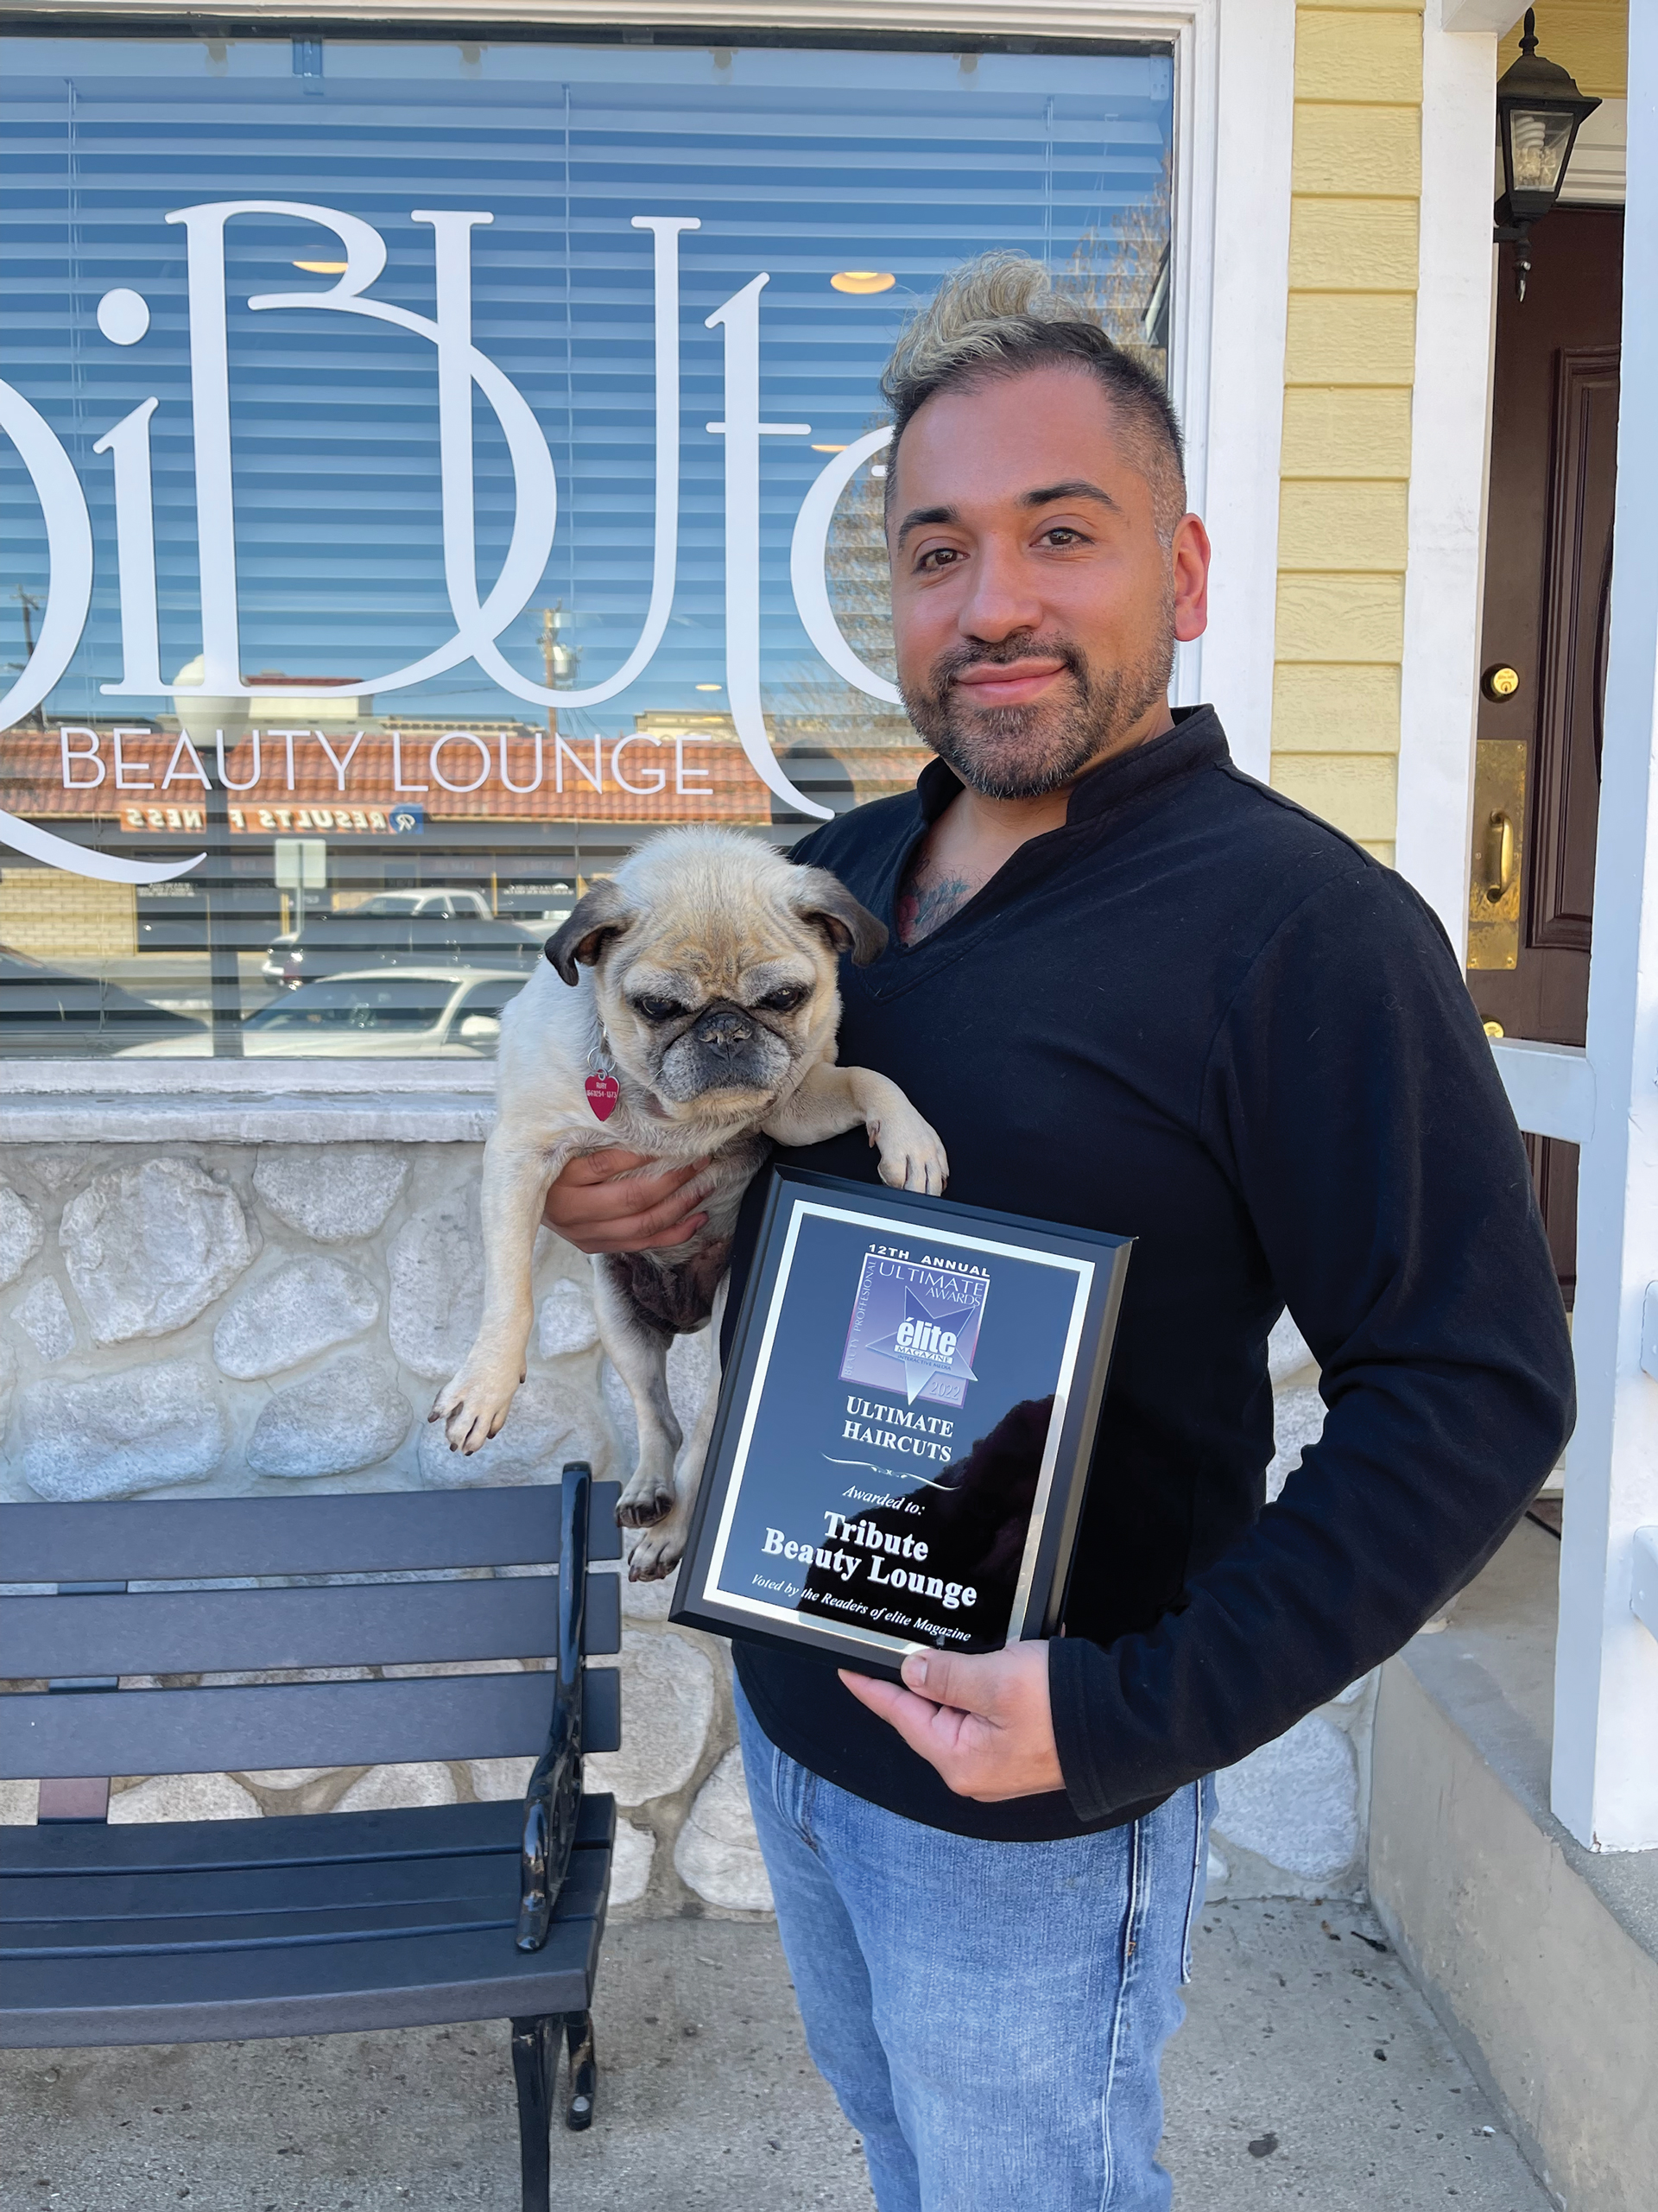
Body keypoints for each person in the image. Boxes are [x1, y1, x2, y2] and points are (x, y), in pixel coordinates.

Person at [543, 252, 1575, 2211]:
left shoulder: (1309, 933)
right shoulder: (821, 891)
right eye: (938, 552)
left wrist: (1127, 1716)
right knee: (904, 2165)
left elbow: (1472, 1390)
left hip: (1030, 1796)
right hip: (798, 1708)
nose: (994, 600)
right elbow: (746, 1229)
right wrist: (638, 1215)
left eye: (1061, 533)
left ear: (1181, 573)